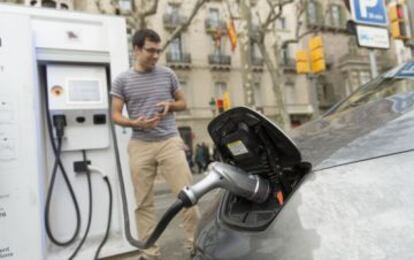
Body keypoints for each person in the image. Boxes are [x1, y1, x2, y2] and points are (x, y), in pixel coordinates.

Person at [110, 29, 200, 260]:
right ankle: (150, 254)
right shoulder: (122, 80)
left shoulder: (168, 74)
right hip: (140, 144)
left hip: (169, 140)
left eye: (158, 51)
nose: (156, 55)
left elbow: (183, 103)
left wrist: (171, 105)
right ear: (137, 49)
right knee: (143, 203)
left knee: (188, 197)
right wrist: (134, 122)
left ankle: (195, 246)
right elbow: (115, 114)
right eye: (151, 50)